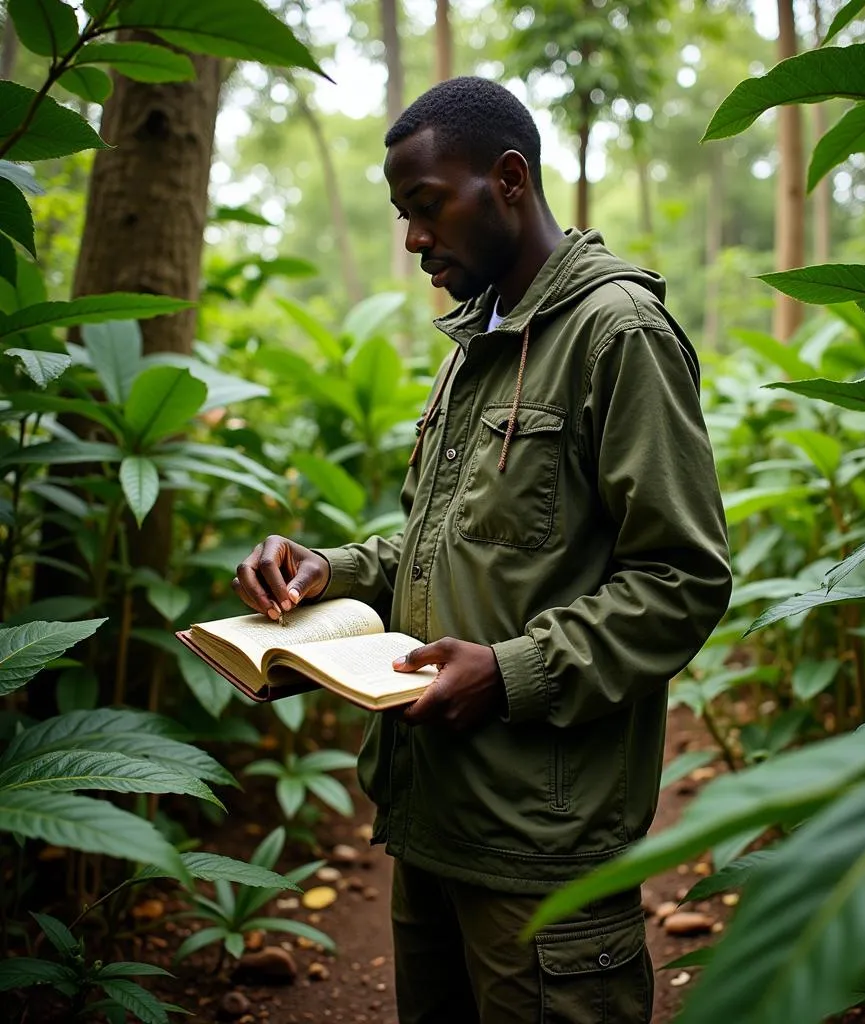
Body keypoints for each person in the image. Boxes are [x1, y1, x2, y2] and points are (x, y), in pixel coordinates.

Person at [234, 76, 731, 1024]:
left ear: (508, 180)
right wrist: (325, 570)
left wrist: (511, 672)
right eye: (401, 215)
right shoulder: (478, 337)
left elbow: (681, 576)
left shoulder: (617, 335)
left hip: (542, 839)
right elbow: (445, 540)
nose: (414, 239)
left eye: (426, 209)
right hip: (433, 819)